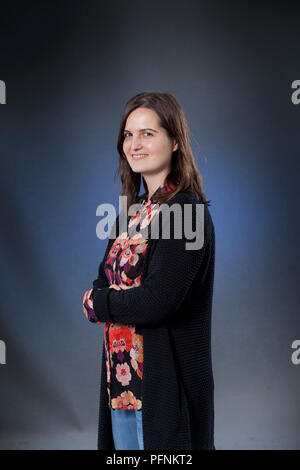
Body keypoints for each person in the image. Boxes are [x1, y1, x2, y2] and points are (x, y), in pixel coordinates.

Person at [82, 91, 216, 450]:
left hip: (163, 384)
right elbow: (102, 280)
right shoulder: (132, 211)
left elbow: (157, 301)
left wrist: (104, 304)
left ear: (174, 141)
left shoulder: (188, 212)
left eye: (147, 134)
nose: (134, 144)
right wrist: (114, 296)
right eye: (128, 134)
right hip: (122, 382)